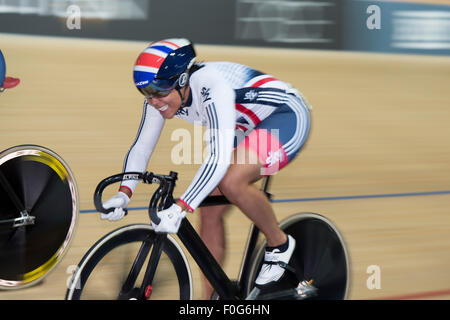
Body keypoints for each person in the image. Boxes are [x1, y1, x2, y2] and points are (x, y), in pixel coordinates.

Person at [101, 38, 311, 299]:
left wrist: (182, 207)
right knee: (210, 209)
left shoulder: (211, 85)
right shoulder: (160, 98)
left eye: (159, 91)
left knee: (232, 182)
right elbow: (142, 148)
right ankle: (213, 299)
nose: (154, 101)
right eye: (147, 93)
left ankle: (280, 244)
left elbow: (218, 157)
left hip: (285, 115)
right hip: (243, 125)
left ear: (181, 81)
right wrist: (124, 193)